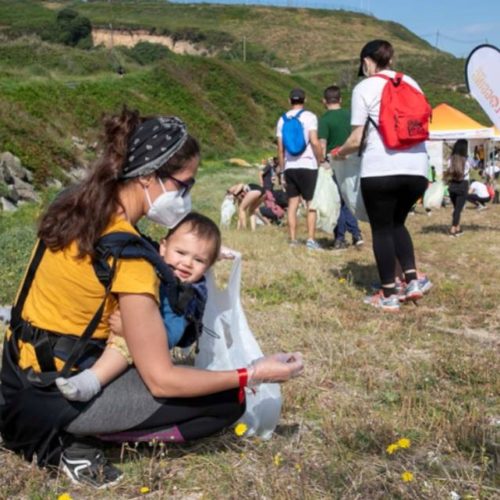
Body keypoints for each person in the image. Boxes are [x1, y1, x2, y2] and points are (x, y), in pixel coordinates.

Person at [0, 108, 304, 488]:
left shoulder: (75, 204)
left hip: (15, 379)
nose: (187, 196)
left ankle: (64, 429)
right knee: (228, 401)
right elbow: (161, 380)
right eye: (184, 184)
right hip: (51, 400)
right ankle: (71, 444)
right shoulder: (130, 257)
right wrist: (253, 372)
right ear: (148, 175)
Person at [55, 212, 220, 402]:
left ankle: (91, 382)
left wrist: (129, 331)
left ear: (207, 267)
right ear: (163, 247)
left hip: (143, 344)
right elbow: (137, 240)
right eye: (181, 253)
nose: (187, 263)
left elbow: (170, 337)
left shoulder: (182, 296)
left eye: (199, 260)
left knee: (122, 345)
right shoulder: (155, 263)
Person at [331, 40, 429, 312]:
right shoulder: (411, 82)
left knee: (382, 228)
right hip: (417, 170)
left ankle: (388, 293)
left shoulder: (364, 87)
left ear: (366, 62)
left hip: (381, 169)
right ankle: (412, 282)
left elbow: (357, 137)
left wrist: (340, 152)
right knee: (398, 223)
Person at [318, 85, 364, 250]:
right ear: (340, 100)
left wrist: (321, 162)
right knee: (349, 199)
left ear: (324, 101)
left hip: (335, 162)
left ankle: (340, 238)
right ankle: (357, 234)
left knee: (337, 201)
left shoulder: (324, 120)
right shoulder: (350, 116)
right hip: (354, 161)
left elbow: (322, 145)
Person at [276, 88, 323, 249]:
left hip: (290, 166)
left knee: (292, 203)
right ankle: (310, 239)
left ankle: (293, 239)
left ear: (290, 101)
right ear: (305, 100)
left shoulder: (282, 120)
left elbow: (280, 148)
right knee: (311, 203)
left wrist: (282, 170)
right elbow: (315, 142)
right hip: (308, 165)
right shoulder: (310, 117)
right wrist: (320, 160)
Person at [444, 139, 472, 237]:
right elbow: (468, 171)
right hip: (463, 185)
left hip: (452, 185)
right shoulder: (466, 161)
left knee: (456, 208)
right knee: (458, 209)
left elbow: (448, 172)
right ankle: (452, 230)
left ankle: (458, 228)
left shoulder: (450, 159)